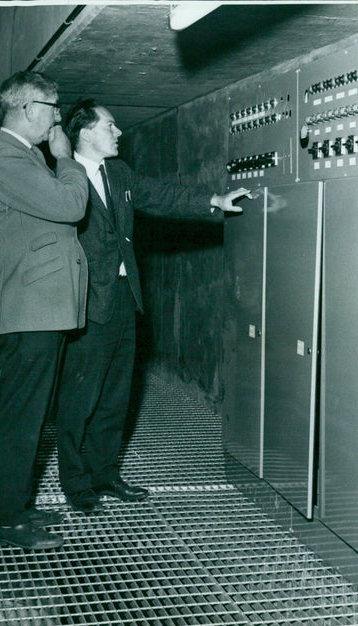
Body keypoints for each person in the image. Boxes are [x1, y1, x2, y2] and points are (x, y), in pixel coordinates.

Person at [57, 98, 250, 514]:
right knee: (79, 398)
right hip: (84, 305)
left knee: (116, 396)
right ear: (86, 132)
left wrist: (213, 201)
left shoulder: (120, 173)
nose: (118, 132)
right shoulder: (61, 176)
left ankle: (106, 474)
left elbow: (160, 196)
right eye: (110, 125)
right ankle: (76, 483)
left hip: (125, 301)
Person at [0, 71, 90, 549]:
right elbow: (69, 206)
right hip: (28, 313)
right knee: (20, 421)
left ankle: (18, 507)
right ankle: (6, 522)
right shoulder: (7, 159)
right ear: (27, 109)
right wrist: (67, 160)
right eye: (53, 107)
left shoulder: (22, 156)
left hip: (39, 310)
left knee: (27, 417)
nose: (58, 118)